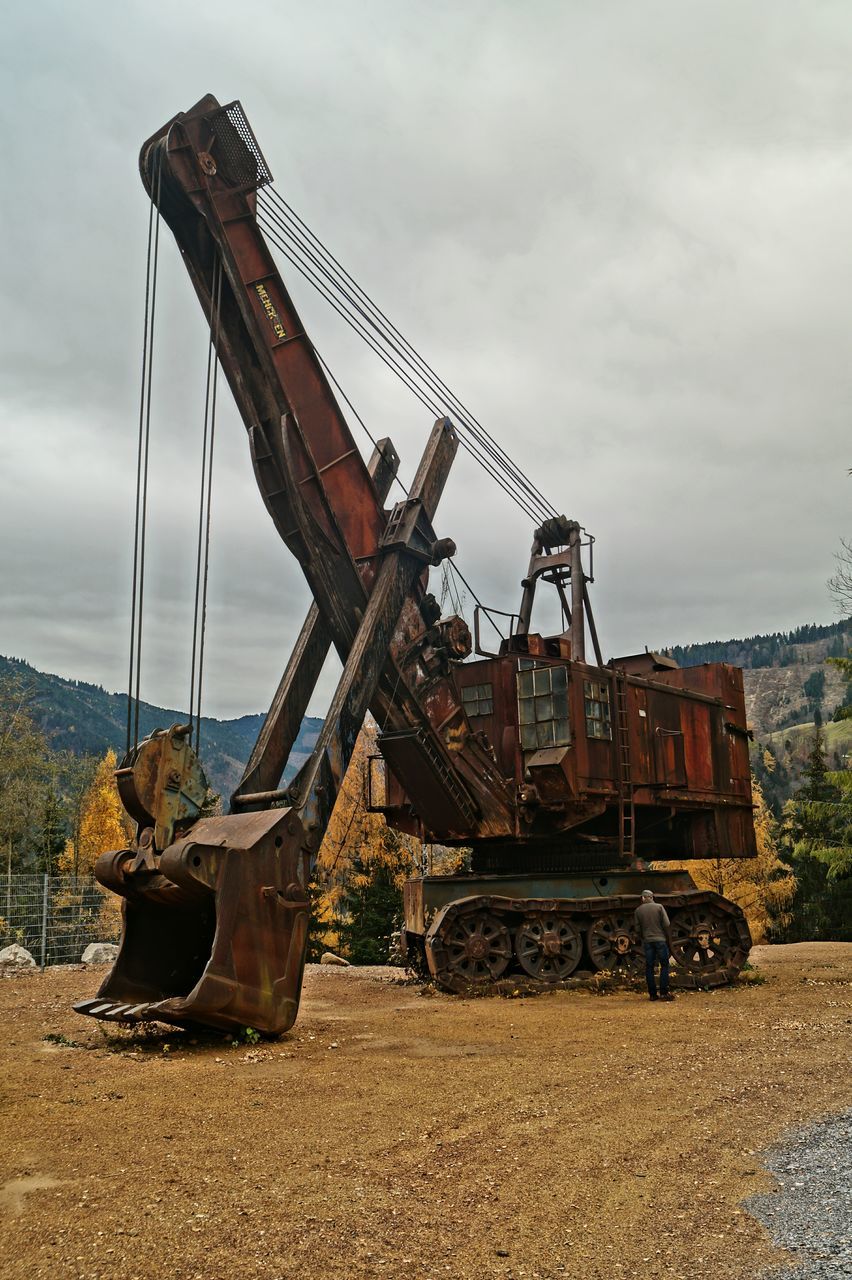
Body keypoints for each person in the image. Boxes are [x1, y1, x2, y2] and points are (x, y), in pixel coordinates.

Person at [634, 889, 674, 1002]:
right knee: (664, 965)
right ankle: (664, 993)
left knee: (649, 967)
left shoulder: (638, 910)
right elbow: (667, 924)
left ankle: (652, 995)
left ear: (642, 898)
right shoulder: (659, 907)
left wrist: (644, 936)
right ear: (652, 897)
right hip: (660, 940)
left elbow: (637, 929)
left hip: (647, 941)